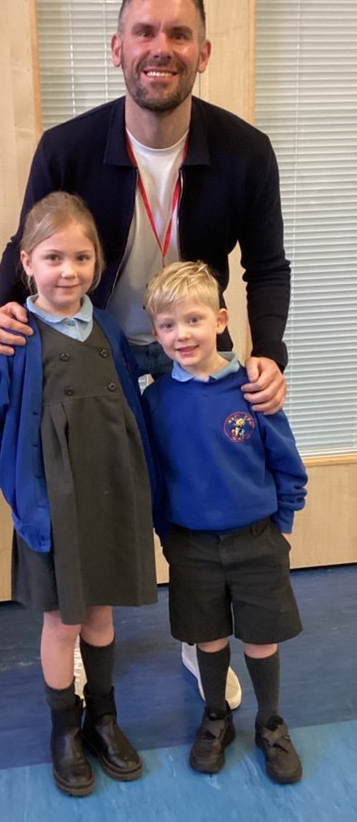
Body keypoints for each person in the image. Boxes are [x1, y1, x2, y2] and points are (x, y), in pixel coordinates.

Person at [0, 0, 291, 706]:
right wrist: (4, 313)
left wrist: (269, 352)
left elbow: (268, 266)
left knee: (195, 490)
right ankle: (86, 627)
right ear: (117, 48)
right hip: (100, 353)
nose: (161, 48)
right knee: (96, 495)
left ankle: (199, 629)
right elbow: (22, 245)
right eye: (145, 33)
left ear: (203, 51)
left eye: (178, 34)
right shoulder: (69, 146)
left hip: (193, 346)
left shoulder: (246, 151)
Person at [0, 192, 158, 798]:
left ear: (98, 263)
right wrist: (11, 481)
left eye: (81, 257)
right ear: (27, 262)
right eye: (53, 257)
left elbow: (133, 397)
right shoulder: (15, 337)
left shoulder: (107, 329)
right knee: (62, 622)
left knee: (101, 614)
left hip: (110, 499)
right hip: (51, 507)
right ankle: (64, 729)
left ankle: (103, 718)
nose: (67, 271)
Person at [142, 261, 307, 785]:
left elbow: (287, 463)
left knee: (261, 639)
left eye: (192, 320)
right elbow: (155, 474)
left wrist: (281, 525)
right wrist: (168, 534)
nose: (180, 334)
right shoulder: (156, 398)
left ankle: (271, 724)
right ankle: (217, 717)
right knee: (208, 638)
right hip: (190, 546)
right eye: (167, 325)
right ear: (156, 333)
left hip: (258, 539)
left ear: (220, 319)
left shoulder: (254, 390)